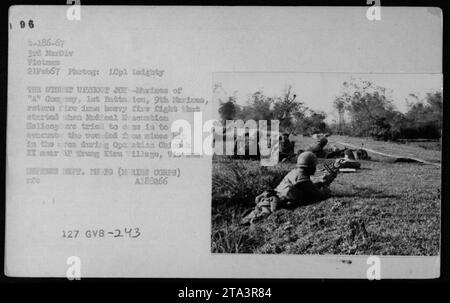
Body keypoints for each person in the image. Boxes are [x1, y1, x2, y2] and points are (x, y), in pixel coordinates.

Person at [241, 152, 340, 225]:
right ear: (310, 167)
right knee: (251, 225)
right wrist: (326, 185)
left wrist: (323, 179)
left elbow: (309, 185)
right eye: (314, 166)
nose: (315, 168)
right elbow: (320, 196)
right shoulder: (302, 180)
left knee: (242, 224)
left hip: (266, 202)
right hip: (271, 208)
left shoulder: (295, 172)